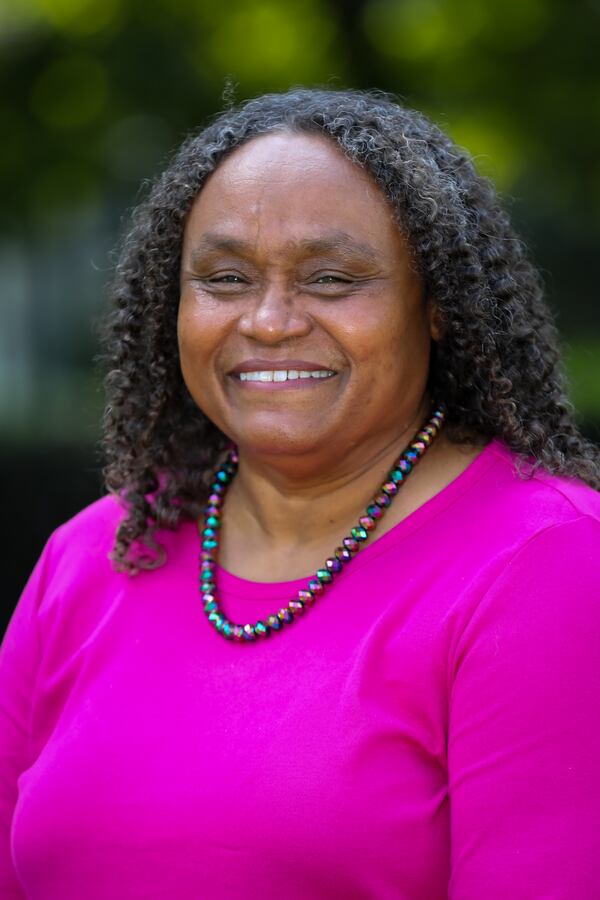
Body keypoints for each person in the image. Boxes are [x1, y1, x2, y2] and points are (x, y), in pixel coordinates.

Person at [1, 88, 599, 899]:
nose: (271, 321)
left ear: (437, 309)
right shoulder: (93, 557)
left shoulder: (548, 565)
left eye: (330, 278)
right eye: (225, 278)